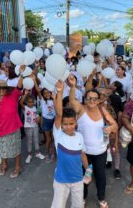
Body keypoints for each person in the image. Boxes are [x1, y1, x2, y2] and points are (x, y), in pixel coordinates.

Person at [69, 75, 118, 208]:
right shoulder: (81, 110)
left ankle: (101, 198)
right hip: (83, 153)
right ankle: (82, 198)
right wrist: (73, 86)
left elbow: (115, 125)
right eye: (89, 98)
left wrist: (111, 128)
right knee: (84, 177)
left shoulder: (102, 110)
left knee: (101, 177)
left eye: (94, 98)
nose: (91, 100)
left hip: (100, 152)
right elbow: (72, 100)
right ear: (85, 99)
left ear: (98, 100)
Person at [50, 80, 88, 208]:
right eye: (64, 124)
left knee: (78, 206)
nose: (68, 127)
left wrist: (88, 170)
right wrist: (60, 92)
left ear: (76, 123)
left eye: (71, 124)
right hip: (61, 181)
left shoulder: (79, 137)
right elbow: (59, 113)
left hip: (78, 180)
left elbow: (83, 154)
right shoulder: (59, 134)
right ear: (60, 125)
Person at [0, 70, 24, 178]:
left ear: (7, 89)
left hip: (12, 128)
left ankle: (18, 166)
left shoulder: (13, 96)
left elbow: (19, 88)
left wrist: (21, 75)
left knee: (15, 148)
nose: (2, 90)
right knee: (2, 149)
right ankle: (4, 164)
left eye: (3, 88)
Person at [19, 90, 45, 164]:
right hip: (28, 127)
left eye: (32, 101)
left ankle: (38, 152)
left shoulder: (34, 108)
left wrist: (39, 118)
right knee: (29, 141)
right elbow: (20, 103)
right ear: (26, 102)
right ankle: (29, 154)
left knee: (36, 139)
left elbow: (36, 116)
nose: (31, 103)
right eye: (29, 102)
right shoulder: (25, 108)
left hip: (35, 126)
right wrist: (25, 94)